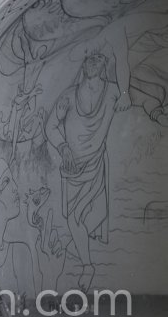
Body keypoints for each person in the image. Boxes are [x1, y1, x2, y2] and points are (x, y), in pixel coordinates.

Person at [45, 52, 119, 291]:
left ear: (105, 64)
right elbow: (50, 126)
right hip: (72, 167)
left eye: (98, 58)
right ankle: (88, 265)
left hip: (96, 162)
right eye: (88, 59)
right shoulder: (69, 95)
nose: (92, 62)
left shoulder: (114, 91)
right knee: (73, 218)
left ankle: (88, 266)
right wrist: (63, 147)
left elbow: (137, 93)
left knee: (85, 216)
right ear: (83, 64)